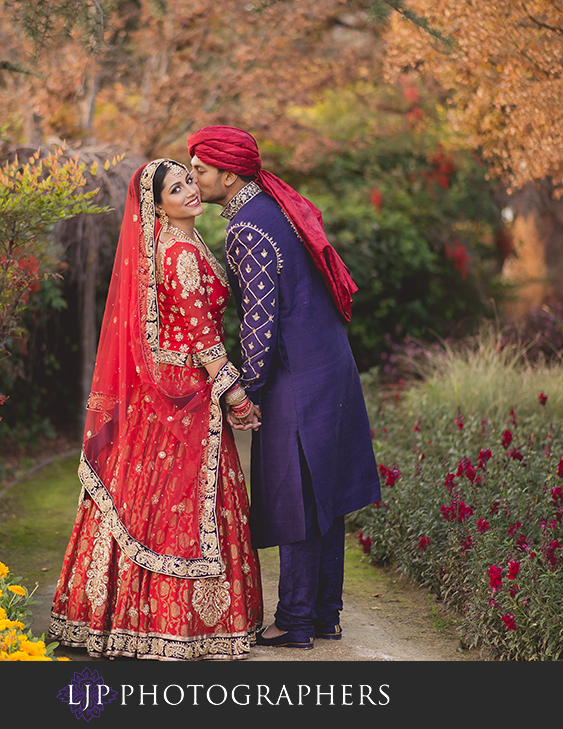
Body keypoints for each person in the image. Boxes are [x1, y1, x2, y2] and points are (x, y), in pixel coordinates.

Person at [47, 159, 263, 660]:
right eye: (176, 188)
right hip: (184, 395)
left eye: (190, 181)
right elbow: (205, 340)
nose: (190, 191)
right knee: (173, 505)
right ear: (156, 203)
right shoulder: (180, 250)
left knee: (142, 496)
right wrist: (236, 397)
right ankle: (174, 627)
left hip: (173, 392)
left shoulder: (174, 243)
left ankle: (111, 620)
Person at [187, 126, 380, 650]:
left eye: (201, 170)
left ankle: (294, 620)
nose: (194, 178)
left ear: (228, 174)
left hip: (298, 377)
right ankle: (324, 614)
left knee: (296, 496)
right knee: (326, 496)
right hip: (331, 365)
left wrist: (245, 390)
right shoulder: (277, 208)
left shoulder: (247, 228)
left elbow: (259, 320)